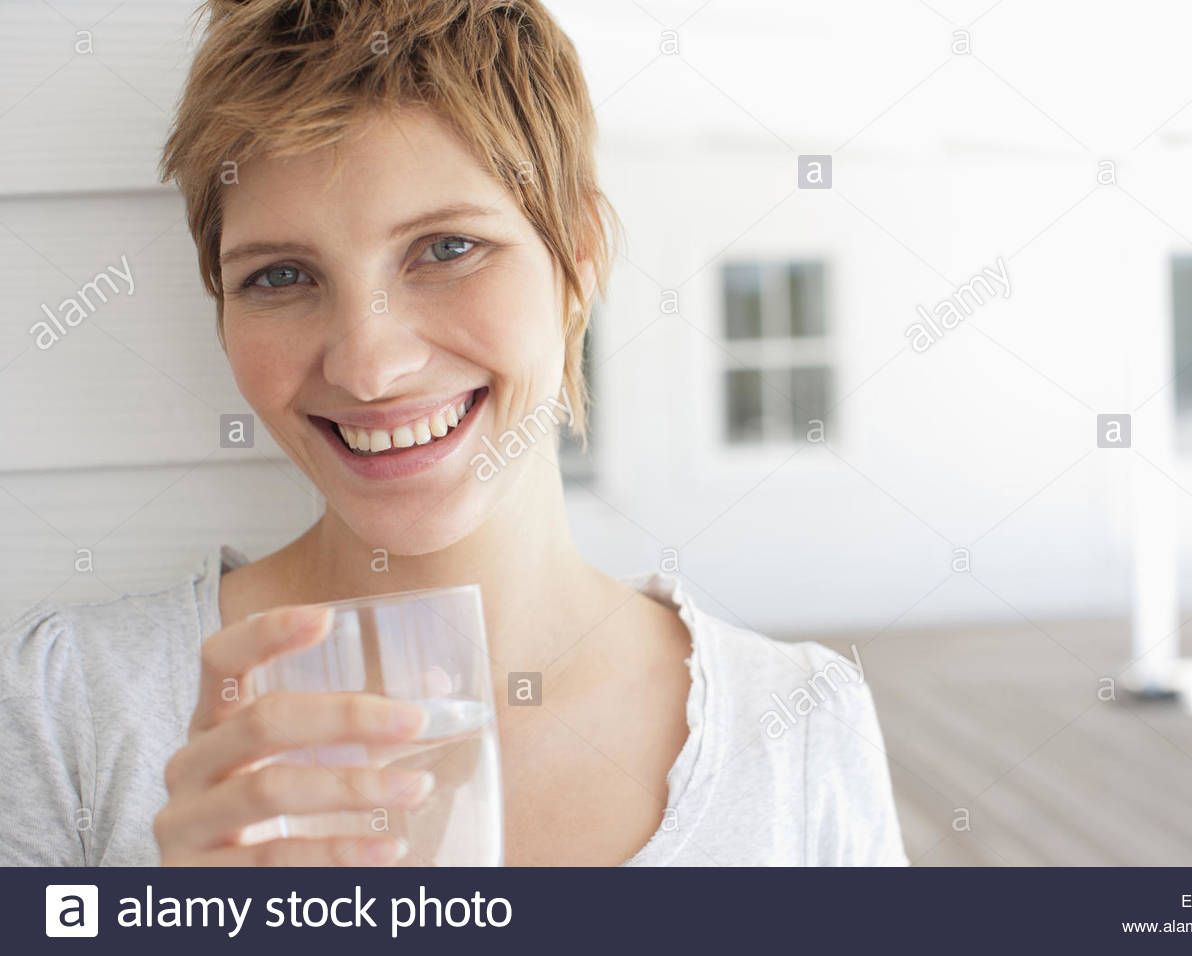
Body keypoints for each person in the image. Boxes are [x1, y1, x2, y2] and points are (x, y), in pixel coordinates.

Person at [0, 0, 908, 867]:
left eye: (445, 248)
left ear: (579, 257)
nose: (368, 365)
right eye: (280, 275)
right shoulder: (69, 708)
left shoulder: (800, 729)